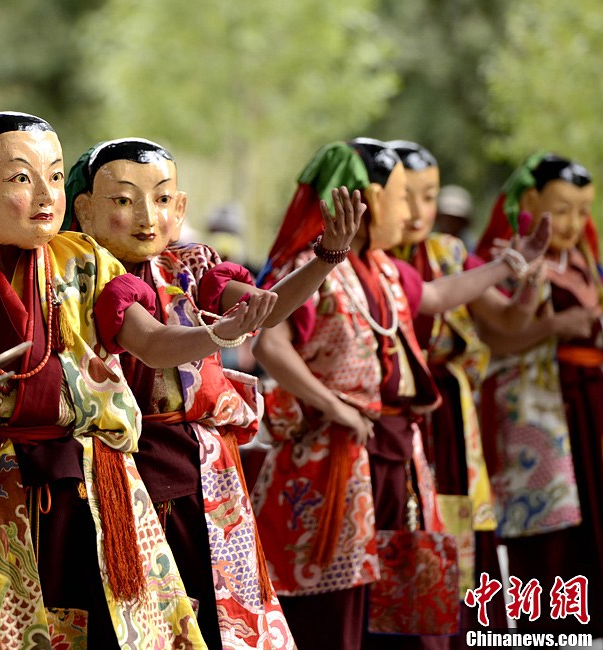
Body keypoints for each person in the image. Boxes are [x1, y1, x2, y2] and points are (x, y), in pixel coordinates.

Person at [0, 112, 276, 649]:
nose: (45, 196)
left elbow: (149, 340)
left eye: (54, 176)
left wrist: (217, 336)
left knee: (113, 630)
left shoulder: (86, 260)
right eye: (21, 179)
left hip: (98, 484)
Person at [250, 139, 550, 650]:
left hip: (394, 448)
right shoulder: (310, 268)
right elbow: (269, 344)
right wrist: (333, 405)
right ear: (363, 201)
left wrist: (507, 266)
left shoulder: (387, 268)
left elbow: (434, 296)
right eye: (401, 196)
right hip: (334, 454)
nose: (412, 213)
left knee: (403, 583)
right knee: (335, 599)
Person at [66, 137, 363, 649]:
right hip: (131, 469)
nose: (146, 215)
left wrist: (326, 259)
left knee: (221, 612)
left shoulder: (190, 265)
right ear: (85, 211)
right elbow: (156, 346)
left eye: (161, 199)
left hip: (210, 467)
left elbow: (264, 307)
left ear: (180, 208)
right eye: (123, 200)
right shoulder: (82, 275)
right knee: (150, 620)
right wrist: (219, 335)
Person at [386, 140, 543, 641]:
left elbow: (507, 325)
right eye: (405, 196)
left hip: (449, 412)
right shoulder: (367, 258)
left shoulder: (448, 253)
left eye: (428, 197)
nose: (417, 212)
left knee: (457, 526)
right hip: (393, 411)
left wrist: (530, 283)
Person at [474, 152, 603, 637]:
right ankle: (544, 626)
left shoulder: (582, 261)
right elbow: (499, 335)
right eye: (562, 208)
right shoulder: (505, 259)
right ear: (530, 200)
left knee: (588, 509)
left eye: (582, 210)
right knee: (545, 516)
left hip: (586, 400)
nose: (574, 222)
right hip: (533, 402)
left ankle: (585, 618)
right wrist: (556, 325)